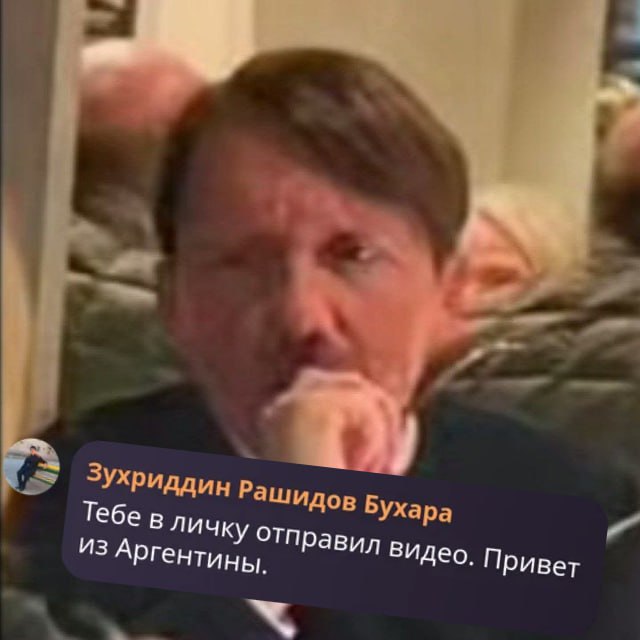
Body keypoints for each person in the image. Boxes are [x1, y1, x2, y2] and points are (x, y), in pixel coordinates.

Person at [5, 48, 638, 639]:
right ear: (173, 301)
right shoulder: (60, 481)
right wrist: (302, 524)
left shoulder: (579, 513)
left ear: (448, 288)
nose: (302, 316)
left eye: (353, 256)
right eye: (242, 261)